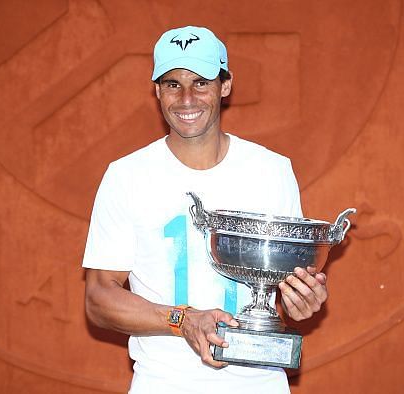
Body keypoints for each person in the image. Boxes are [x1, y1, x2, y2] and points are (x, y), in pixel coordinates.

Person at [82, 26, 328, 394]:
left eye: (200, 83)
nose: (186, 99)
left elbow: (285, 289)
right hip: (162, 383)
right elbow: (99, 297)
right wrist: (183, 321)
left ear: (224, 86)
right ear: (157, 91)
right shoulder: (125, 176)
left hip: (260, 384)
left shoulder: (272, 170)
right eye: (172, 84)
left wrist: (301, 301)